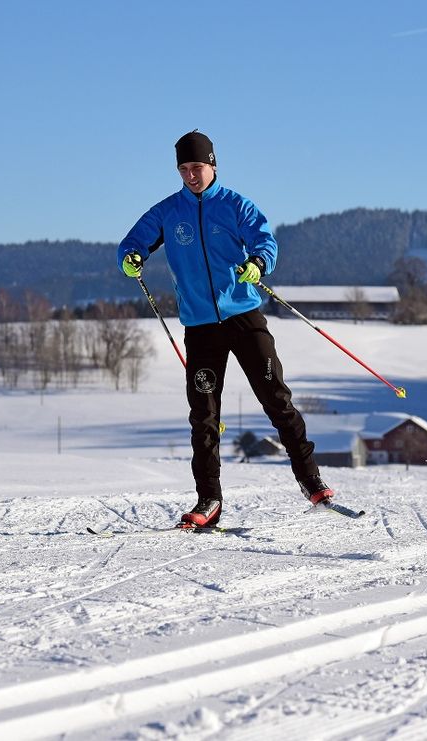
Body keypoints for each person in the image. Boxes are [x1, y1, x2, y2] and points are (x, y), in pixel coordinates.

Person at [117, 130, 334, 529]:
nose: (190, 176)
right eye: (183, 170)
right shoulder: (167, 212)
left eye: (196, 168)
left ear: (212, 165)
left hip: (244, 319)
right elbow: (134, 241)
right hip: (200, 327)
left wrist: (258, 263)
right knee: (204, 415)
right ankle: (209, 500)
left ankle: (311, 480)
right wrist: (129, 257)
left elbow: (265, 241)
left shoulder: (236, 205)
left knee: (277, 400)